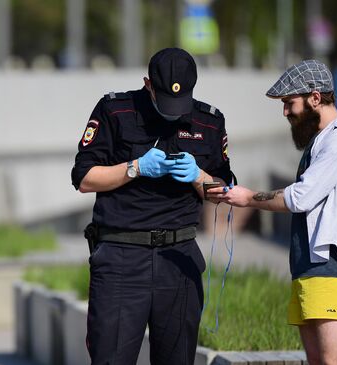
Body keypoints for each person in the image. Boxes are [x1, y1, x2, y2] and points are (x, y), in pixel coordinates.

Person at [71, 47, 233, 365]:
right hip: (121, 259)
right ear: (148, 85)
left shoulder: (209, 122)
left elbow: (223, 193)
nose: (175, 111)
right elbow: (83, 178)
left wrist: (199, 176)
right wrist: (135, 168)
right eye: (165, 101)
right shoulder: (114, 111)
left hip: (179, 260)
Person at [208, 60, 337, 365]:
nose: (285, 112)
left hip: (331, 268)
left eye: (288, 103)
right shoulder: (320, 142)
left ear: (315, 97)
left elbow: (301, 197)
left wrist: (247, 198)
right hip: (309, 268)